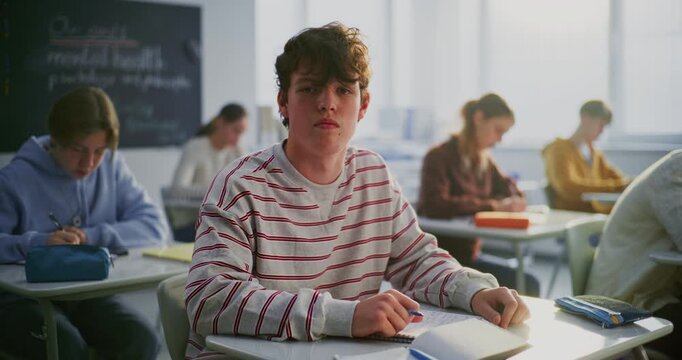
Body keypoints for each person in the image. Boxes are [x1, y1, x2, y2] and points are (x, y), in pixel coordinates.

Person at [184, 22, 529, 359]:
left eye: (344, 90)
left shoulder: (372, 173)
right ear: (283, 103)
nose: (327, 103)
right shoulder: (240, 185)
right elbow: (210, 299)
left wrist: (473, 290)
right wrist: (343, 317)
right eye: (309, 88)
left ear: (363, 105)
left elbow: (417, 260)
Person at [0, 87, 168, 359]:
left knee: (142, 338)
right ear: (56, 139)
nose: (89, 163)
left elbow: (154, 226)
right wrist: (39, 243)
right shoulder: (14, 179)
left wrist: (91, 236)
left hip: (86, 296)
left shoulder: (112, 166)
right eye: (78, 149)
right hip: (22, 301)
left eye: (99, 151)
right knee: (65, 345)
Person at [416, 93, 540, 296]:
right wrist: (495, 206)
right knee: (527, 284)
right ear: (479, 118)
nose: (499, 139)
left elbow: (509, 187)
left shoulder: (484, 161)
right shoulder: (438, 156)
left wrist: (513, 199)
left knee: (529, 282)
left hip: (470, 257)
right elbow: (435, 205)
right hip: (441, 262)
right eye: (498, 130)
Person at [586, 149, 682, 358]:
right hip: (628, 302)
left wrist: (619, 182)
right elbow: (571, 186)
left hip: (658, 291)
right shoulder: (673, 174)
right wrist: (616, 183)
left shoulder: (594, 153)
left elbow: (615, 176)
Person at [542, 100, 629, 213]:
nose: (602, 131)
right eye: (600, 124)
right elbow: (567, 186)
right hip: (573, 215)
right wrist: (616, 186)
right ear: (585, 118)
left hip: (596, 212)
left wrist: (626, 184)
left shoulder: (595, 154)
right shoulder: (559, 150)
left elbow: (620, 180)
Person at [171, 103, 248, 189]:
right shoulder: (194, 147)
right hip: (199, 202)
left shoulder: (238, 152)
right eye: (235, 130)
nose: (238, 138)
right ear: (220, 123)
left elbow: (246, 188)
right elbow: (178, 187)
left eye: (242, 133)